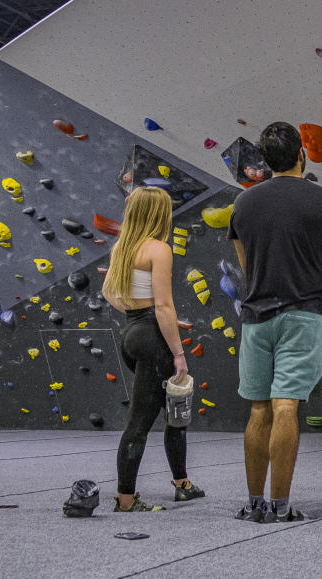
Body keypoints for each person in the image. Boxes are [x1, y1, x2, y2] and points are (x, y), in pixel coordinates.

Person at [228, 122, 322, 523]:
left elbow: (246, 267)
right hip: (303, 315)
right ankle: (281, 507)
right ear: (301, 154)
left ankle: (254, 503)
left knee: (258, 411)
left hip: (255, 318)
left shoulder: (242, 205)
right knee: (285, 409)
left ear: (266, 160)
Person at [102, 186, 204, 512]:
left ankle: (182, 484)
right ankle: (126, 500)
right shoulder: (159, 249)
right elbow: (163, 306)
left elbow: (109, 293)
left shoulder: (122, 247)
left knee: (173, 412)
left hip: (132, 332)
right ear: (160, 215)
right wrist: (178, 354)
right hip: (151, 337)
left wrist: (137, 318)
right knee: (140, 423)